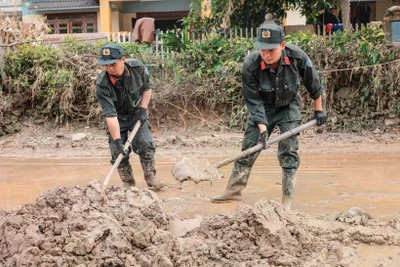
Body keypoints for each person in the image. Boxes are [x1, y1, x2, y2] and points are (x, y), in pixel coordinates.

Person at [211, 24, 327, 210]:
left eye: (271, 50)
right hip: (263, 108)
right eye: (262, 50)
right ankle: (233, 190)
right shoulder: (251, 64)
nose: (266, 55)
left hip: (288, 106)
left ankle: (287, 199)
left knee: (289, 149)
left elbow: (313, 83)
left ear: (282, 45)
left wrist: (318, 111)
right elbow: (253, 100)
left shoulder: (297, 57)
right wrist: (263, 129)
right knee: (250, 146)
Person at [95, 44, 165, 190]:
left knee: (145, 144)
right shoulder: (102, 83)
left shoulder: (137, 68)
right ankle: (128, 183)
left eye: (113, 64)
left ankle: (150, 176)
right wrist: (118, 141)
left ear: (123, 59)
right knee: (117, 151)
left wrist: (143, 109)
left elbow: (147, 88)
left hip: (135, 113)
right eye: (105, 65)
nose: (110, 69)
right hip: (117, 118)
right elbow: (110, 115)